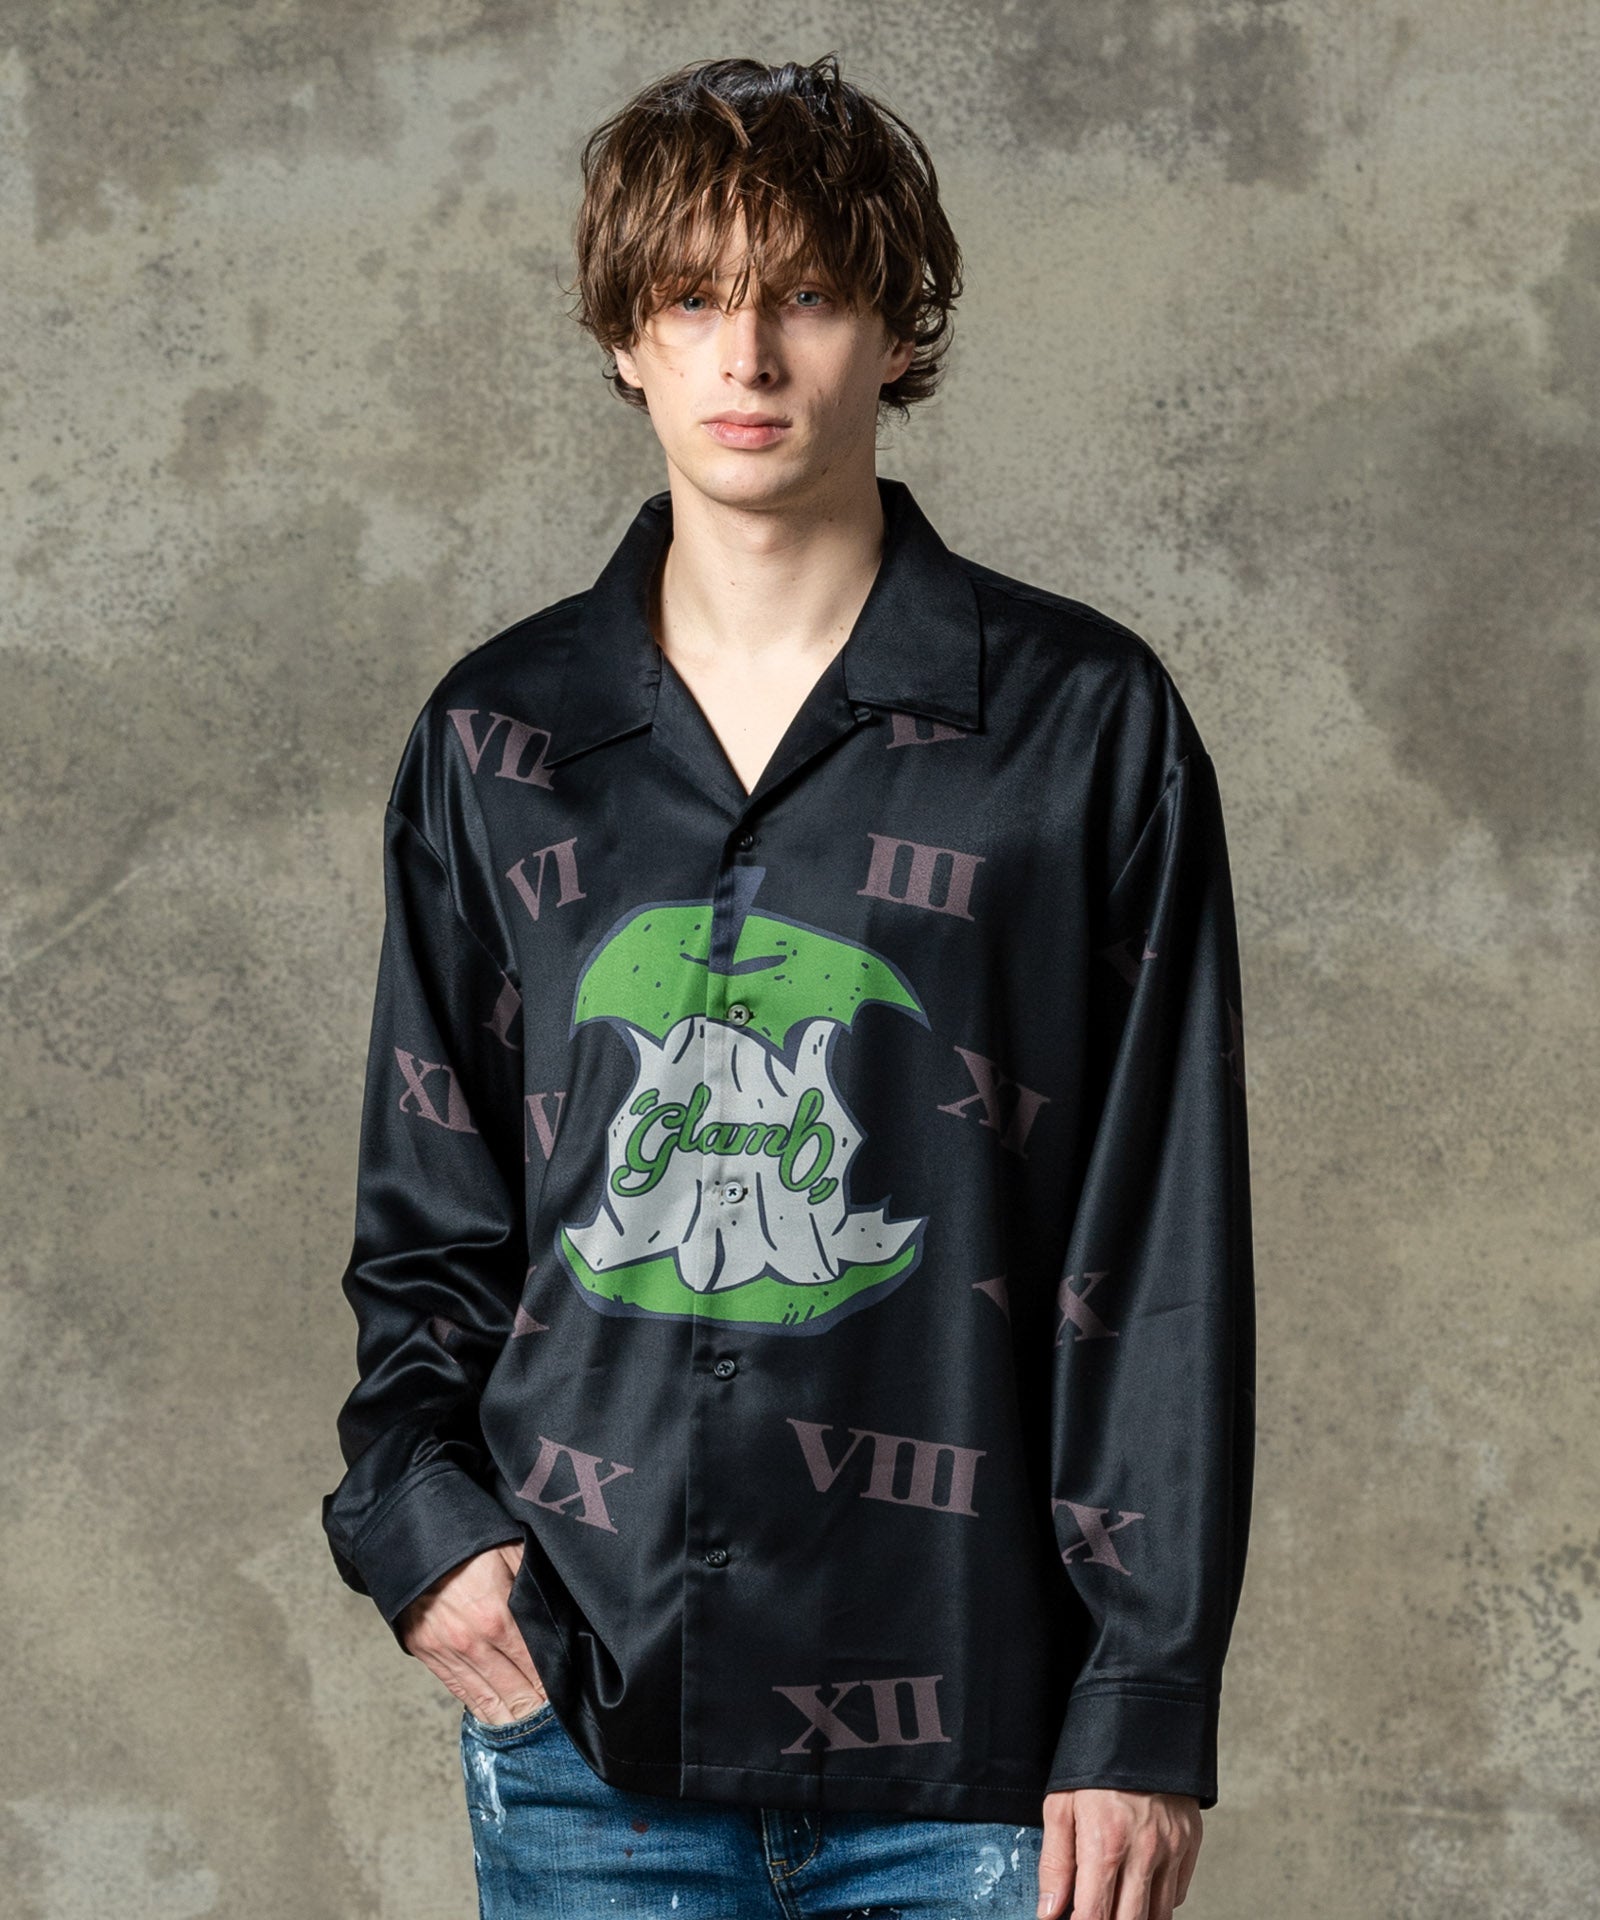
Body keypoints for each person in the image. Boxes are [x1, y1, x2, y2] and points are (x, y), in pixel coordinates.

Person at [322, 50, 1255, 1920]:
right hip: (585, 1732)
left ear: (898, 332)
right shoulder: (499, 741)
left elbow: (1160, 1249)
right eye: (691, 299)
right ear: (624, 338)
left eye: (807, 294)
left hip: (984, 1750)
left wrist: (1146, 1697)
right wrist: (423, 1534)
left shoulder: (1084, 732)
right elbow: (431, 1219)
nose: (746, 356)